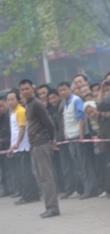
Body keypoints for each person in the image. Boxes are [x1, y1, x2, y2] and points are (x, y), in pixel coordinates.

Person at [19, 79, 59, 218]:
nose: (25, 91)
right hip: (34, 144)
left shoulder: (36, 104)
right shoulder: (28, 104)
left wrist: (52, 139)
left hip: (41, 143)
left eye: (27, 88)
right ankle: (49, 206)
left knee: (46, 177)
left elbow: (49, 123)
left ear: (32, 89)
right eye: (22, 89)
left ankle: (53, 208)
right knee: (41, 177)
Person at [58, 81, 95, 199]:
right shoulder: (65, 103)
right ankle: (86, 189)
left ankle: (91, 189)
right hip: (71, 139)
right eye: (60, 90)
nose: (62, 92)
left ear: (70, 89)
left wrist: (82, 136)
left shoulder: (76, 100)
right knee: (78, 165)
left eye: (64, 89)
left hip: (79, 138)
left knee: (85, 165)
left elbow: (81, 118)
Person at [6, 90, 41, 205]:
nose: (10, 102)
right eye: (8, 100)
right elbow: (14, 132)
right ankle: (34, 194)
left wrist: (17, 144)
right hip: (17, 146)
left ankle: (28, 196)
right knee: (24, 172)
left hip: (23, 146)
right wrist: (12, 147)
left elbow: (22, 129)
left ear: (17, 100)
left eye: (12, 99)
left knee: (25, 172)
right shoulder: (12, 112)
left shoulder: (20, 111)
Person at [0, 97, 17, 197]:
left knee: (10, 169)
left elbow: (10, 134)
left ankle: (14, 188)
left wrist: (3, 140)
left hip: (7, 147)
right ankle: (4, 190)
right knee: (2, 171)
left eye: (2, 106)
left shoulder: (7, 117)